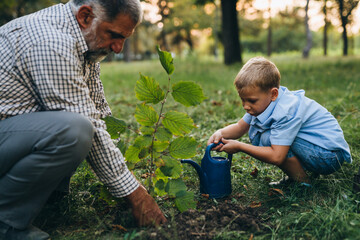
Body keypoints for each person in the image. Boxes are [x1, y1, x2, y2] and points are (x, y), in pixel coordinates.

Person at [0, 0, 166, 239]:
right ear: (86, 16)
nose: (119, 48)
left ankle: (39, 199)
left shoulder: (83, 41)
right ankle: (6, 222)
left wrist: (126, 167)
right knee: (73, 130)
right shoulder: (51, 42)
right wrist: (136, 194)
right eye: (114, 35)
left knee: (77, 126)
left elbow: (98, 110)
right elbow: (87, 122)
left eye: (125, 38)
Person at [208, 56, 352, 187]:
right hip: (318, 149)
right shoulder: (263, 104)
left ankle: (303, 184)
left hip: (329, 156)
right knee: (272, 138)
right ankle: (296, 177)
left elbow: (277, 156)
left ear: (273, 94)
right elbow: (240, 127)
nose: (245, 106)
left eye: (251, 100)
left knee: (269, 139)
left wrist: (239, 146)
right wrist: (220, 133)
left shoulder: (285, 110)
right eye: (242, 100)